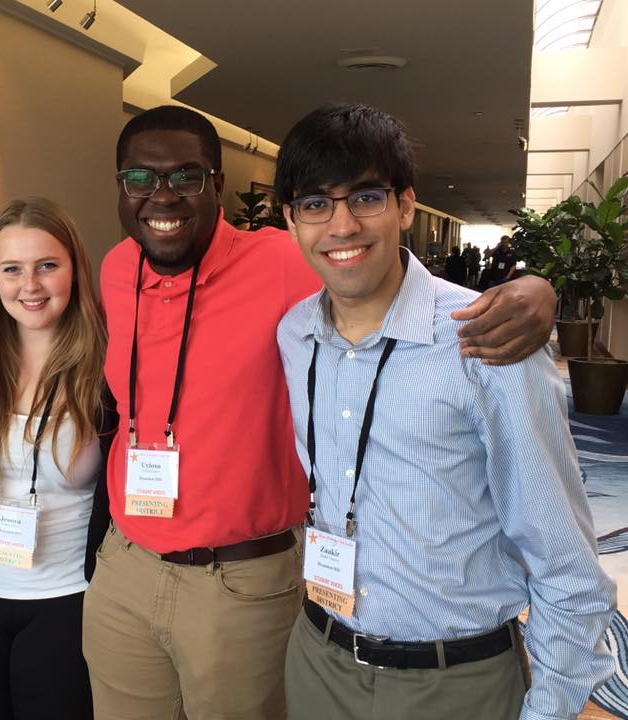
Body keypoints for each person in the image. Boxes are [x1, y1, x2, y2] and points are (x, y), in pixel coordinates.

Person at [81, 105, 560, 719]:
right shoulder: (118, 268)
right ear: (121, 188)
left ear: (218, 188)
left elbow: (377, 277)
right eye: (140, 180)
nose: (162, 195)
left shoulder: (281, 261)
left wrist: (539, 290)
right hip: (126, 566)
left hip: (239, 582)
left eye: (187, 176)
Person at [274, 103, 616, 720]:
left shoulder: (487, 340)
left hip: (453, 681)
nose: (342, 225)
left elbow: (563, 555)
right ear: (291, 219)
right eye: (315, 204)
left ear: (405, 205)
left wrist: (551, 707)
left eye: (366, 198)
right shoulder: (295, 336)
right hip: (320, 659)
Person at [0, 198, 115, 720]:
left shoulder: (110, 368)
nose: (29, 285)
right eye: (12, 269)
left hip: (70, 598)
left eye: (47, 266)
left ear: (74, 267)